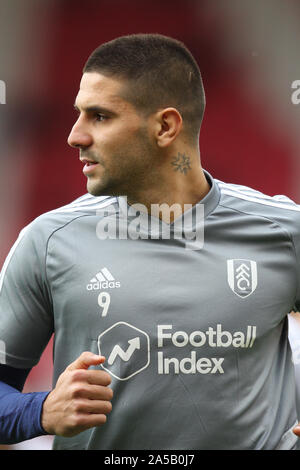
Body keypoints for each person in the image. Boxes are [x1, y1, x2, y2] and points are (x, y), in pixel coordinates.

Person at [0, 33, 300, 450]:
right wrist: (42, 410)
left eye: (99, 116)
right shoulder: (47, 241)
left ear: (165, 127)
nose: (75, 135)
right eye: (78, 114)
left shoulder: (285, 231)